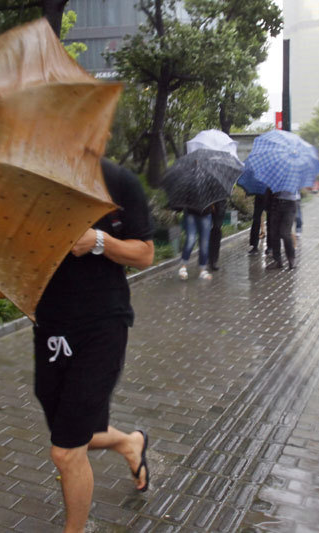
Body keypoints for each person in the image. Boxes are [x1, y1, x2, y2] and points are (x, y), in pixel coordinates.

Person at [33, 158, 155, 533]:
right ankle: (129, 443)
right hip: (50, 327)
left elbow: (145, 254)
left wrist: (98, 241)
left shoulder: (117, 181)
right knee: (69, 432)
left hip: (102, 324)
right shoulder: (32, 184)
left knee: (66, 451)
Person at [266, 187, 298, 270]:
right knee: (274, 234)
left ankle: (291, 259)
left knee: (285, 233)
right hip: (276, 203)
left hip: (290, 204)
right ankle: (277, 260)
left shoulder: (293, 180)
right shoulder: (277, 179)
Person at [178, 206, 213, 280]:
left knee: (204, 243)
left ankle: (202, 270)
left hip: (206, 212)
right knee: (191, 239)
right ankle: (183, 266)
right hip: (191, 211)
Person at [208, 199, 227, 271]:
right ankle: (210, 259)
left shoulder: (221, 195)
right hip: (207, 209)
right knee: (210, 235)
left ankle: (213, 260)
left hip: (219, 210)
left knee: (216, 232)